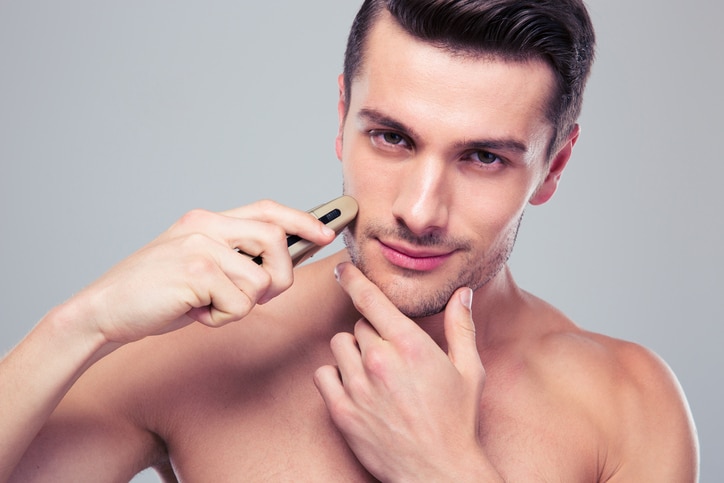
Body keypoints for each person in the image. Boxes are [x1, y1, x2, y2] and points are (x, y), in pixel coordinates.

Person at [1, 0, 699, 481]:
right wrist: (79, 322)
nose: (421, 210)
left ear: (554, 166)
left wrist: (445, 469)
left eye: (483, 157)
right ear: (342, 119)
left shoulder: (627, 403)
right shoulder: (201, 351)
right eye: (391, 137)